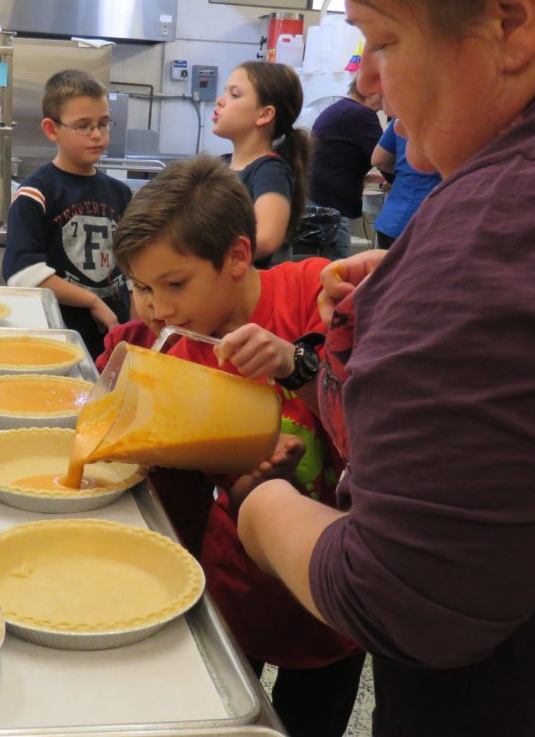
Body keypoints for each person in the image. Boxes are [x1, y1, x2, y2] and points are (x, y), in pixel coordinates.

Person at [233, 0, 535, 734]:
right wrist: (416, 283)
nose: (364, 77)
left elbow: (411, 596)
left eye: (382, 37)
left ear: (512, 20)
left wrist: (259, 510)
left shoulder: (517, 223)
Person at [114, 154, 363, 737]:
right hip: (234, 584)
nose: (161, 308)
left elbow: (381, 415)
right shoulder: (175, 347)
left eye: (175, 284)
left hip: (333, 589)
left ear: (237, 257)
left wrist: (295, 364)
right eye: (143, 288)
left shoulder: (316, 293)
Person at [2, 69, 132, 358]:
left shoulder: (120, 194)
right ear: (52, 129)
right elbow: (23, 273)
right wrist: (92, 302)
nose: (97, 134)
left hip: (114, 334)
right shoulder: (36, 194)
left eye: (103, 123)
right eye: (83, 126)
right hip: (58, 336)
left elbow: (134, 270)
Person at [212, 61, 312, 269]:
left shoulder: (270, 171)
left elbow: (266, 238)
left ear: (265, 114)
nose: (220, 101)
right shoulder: (221, 165)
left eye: (235, 94)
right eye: (225, 92)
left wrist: (204, 259)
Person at [307, 80, 384, 259]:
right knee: (337, 267)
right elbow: (385, 157)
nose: (383, 107)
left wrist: (368, 178)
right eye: (384, 98)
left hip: (315, 200)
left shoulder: (337, 109)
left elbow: (334, 161)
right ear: (371, 91)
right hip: (329, 207)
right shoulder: (363, 114)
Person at [370, 115, 441, 248]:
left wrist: (403, 175)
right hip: (430, 222)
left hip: (391, 219)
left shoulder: (404, 115)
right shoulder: (461, 120)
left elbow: (379, 160)